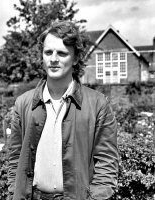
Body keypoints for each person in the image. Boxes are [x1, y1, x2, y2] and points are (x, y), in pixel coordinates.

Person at [8, 20, 119, 200]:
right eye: (48, 52)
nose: (53, 59)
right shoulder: (23, 103)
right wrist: (14, 191)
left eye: (62, 53)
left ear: (75, 58)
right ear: (42, 57)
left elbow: (107, 162)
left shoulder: (98, 104)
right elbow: (14, 157)